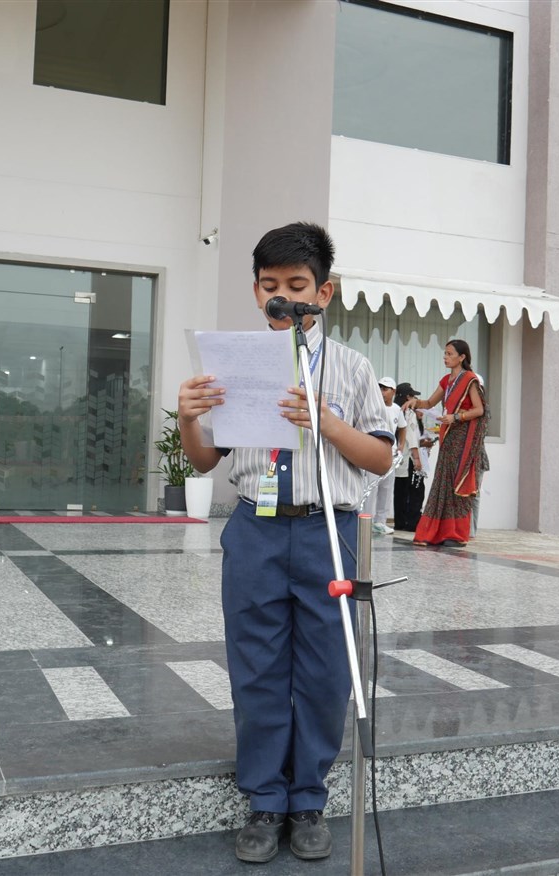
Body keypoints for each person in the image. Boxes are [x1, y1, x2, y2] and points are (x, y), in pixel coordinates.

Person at [176, 222, 393, 864]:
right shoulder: (232, 363)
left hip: (328, 528)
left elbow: (381, 458)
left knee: (326, 671)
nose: (283, 298)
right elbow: (204, 460)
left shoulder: (352, 367)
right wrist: (189, 418)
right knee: (257, 666)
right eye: (270, 285)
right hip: (257, 528)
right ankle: (265, 799)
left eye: (297, 286)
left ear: (324, 292)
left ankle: (308, 799)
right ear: (255, 291)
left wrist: (327, 424)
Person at [402, 339, 487, 547]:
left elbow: (479, 410)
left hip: (463, 439)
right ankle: (437, 533)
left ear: (462, 357)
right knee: (443, 484)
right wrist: (415, 402)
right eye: (445, 353)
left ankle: (457, 535)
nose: (445, 357)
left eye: (450, 354)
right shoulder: (446, 381)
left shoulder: (470, 380)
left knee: (457, 484)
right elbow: (429, 403)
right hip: (448, 438)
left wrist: (456, 417)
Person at [369, 376, 406, 534]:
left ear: (393, 391)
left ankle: (380, 522)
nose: (381, 392)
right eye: (380, 388)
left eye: (385, 389)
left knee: (386, 489)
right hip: (373, 453)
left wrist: (401, 445)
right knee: (371, 489)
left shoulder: (397, 409)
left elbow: (402, 427)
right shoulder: (374, 407)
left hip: (391, 455)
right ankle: (366, 521)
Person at [393, 382, 425, 531]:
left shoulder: (395, 411)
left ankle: (400, 522)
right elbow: (411, 438)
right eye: (413, 396)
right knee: (416, 490)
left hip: (398, 459)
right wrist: (417, 459)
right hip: (410, 459)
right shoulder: (409, 413)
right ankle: (413, 523)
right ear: (408, 397)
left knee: (399, 492)